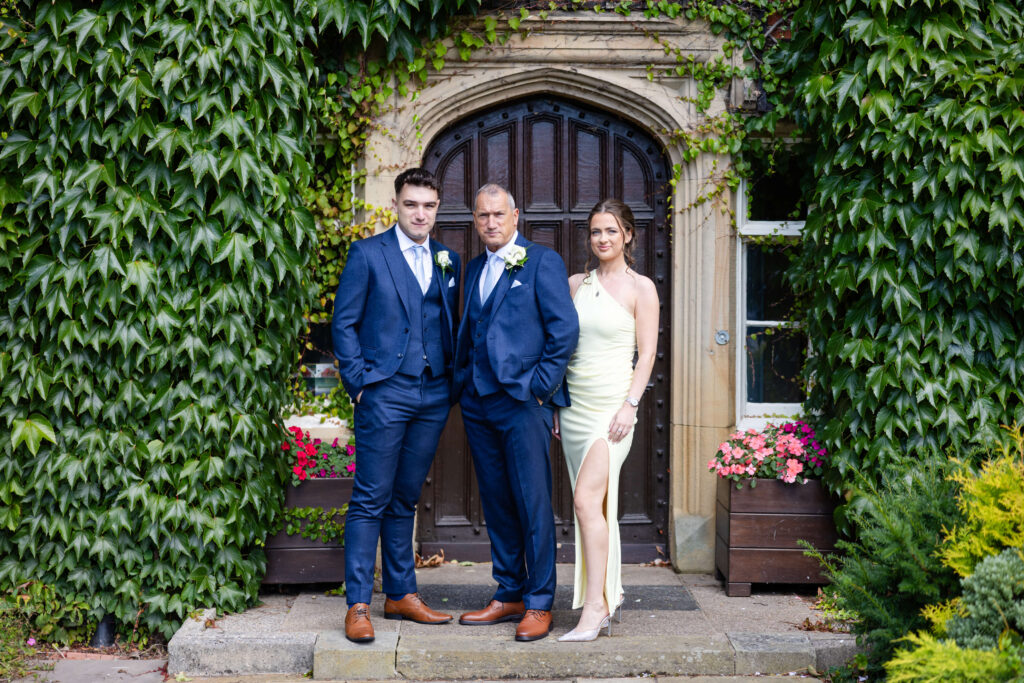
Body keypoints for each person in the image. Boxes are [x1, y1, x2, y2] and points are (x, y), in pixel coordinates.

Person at [331, 167, 461, 643]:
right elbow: (343, 324)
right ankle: (359, 603)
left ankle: (401, 594)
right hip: (383, 391)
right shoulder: (368, 254)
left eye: (428, 205)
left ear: (437, 208)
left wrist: (450, 384)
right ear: (397, 205)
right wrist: (359, 384)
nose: (420, 213)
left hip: (432, 394)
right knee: (370, 498)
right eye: (411, 204)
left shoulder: (449, 258)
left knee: (405, 498)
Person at [453, 183, 579, 642]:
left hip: (523, 403)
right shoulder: (471, 269)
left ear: (515, 216)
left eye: (498, 215)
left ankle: (541, 601)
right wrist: (465, 380)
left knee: (532, 502)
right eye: (482, 216)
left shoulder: (542, 261)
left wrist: (539, 390)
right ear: (475, 220)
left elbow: (563, 331)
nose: (490, 223)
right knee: (498, 502)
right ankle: (509, 593)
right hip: (478, 403)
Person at [554, 198, 659, 642]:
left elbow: (648, 352)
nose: (602, 239)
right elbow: (562, 346)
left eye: (611, 231)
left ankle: (596, 607)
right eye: (596, 231)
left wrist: (630, 405)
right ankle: (602, 599)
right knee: (591, 508)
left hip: (612, 410)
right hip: (574, 407)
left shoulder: (642, 288)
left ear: (628, 235)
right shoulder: (576, 283)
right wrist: (557, 402)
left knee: (584, 502)